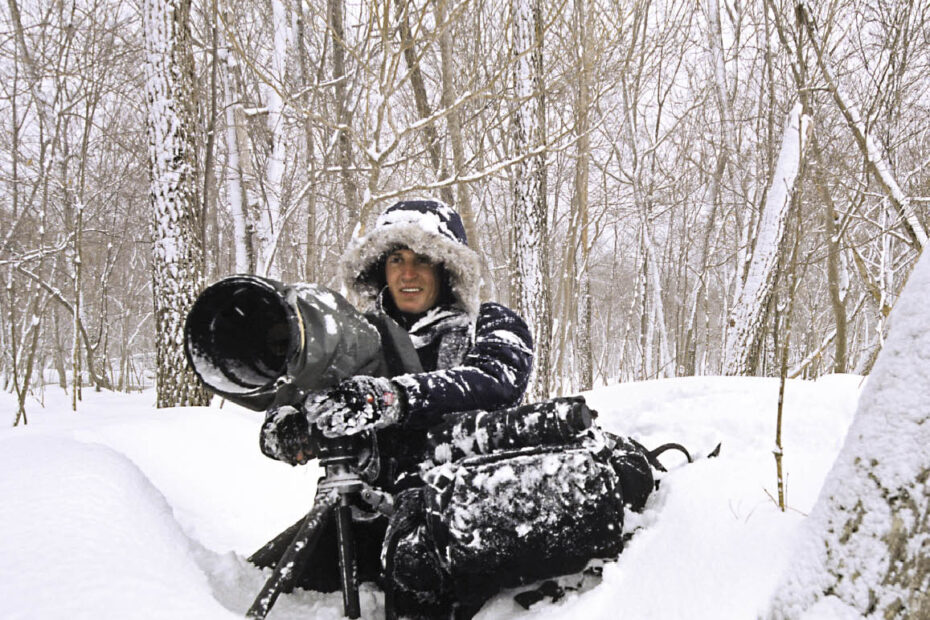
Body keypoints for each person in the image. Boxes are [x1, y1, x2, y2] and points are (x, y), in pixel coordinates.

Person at [253, 199, 542, 615]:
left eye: (423, 259)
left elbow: (496, 380)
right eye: (396, 259)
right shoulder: (352, 337)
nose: (408, 273)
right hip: (358, 523)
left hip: (453, 523)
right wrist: (300, 430)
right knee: (252, 586)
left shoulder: (489, 323)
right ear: (379, 268)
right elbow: (278, 421)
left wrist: (391, 398)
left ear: (447, 268)